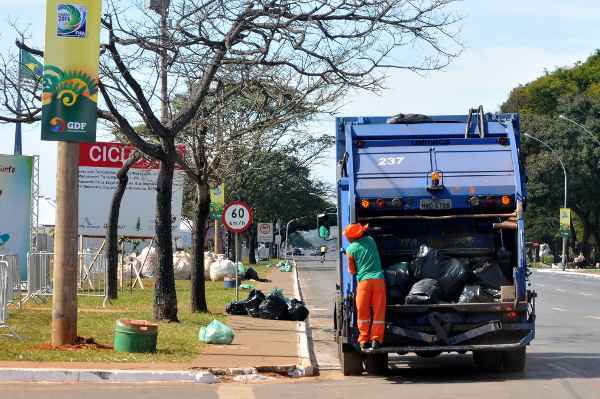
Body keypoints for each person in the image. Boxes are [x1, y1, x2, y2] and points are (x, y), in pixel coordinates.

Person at [343, 223, 386, 350]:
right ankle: (376, 340)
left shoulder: (350, 249)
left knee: (363, 311)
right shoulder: (371, 240)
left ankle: (363, 340)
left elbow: (352, 271)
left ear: (350, 238)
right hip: (378, 280)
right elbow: (367, 233)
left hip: (364, 282)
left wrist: (348, 256)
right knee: (378, 311)